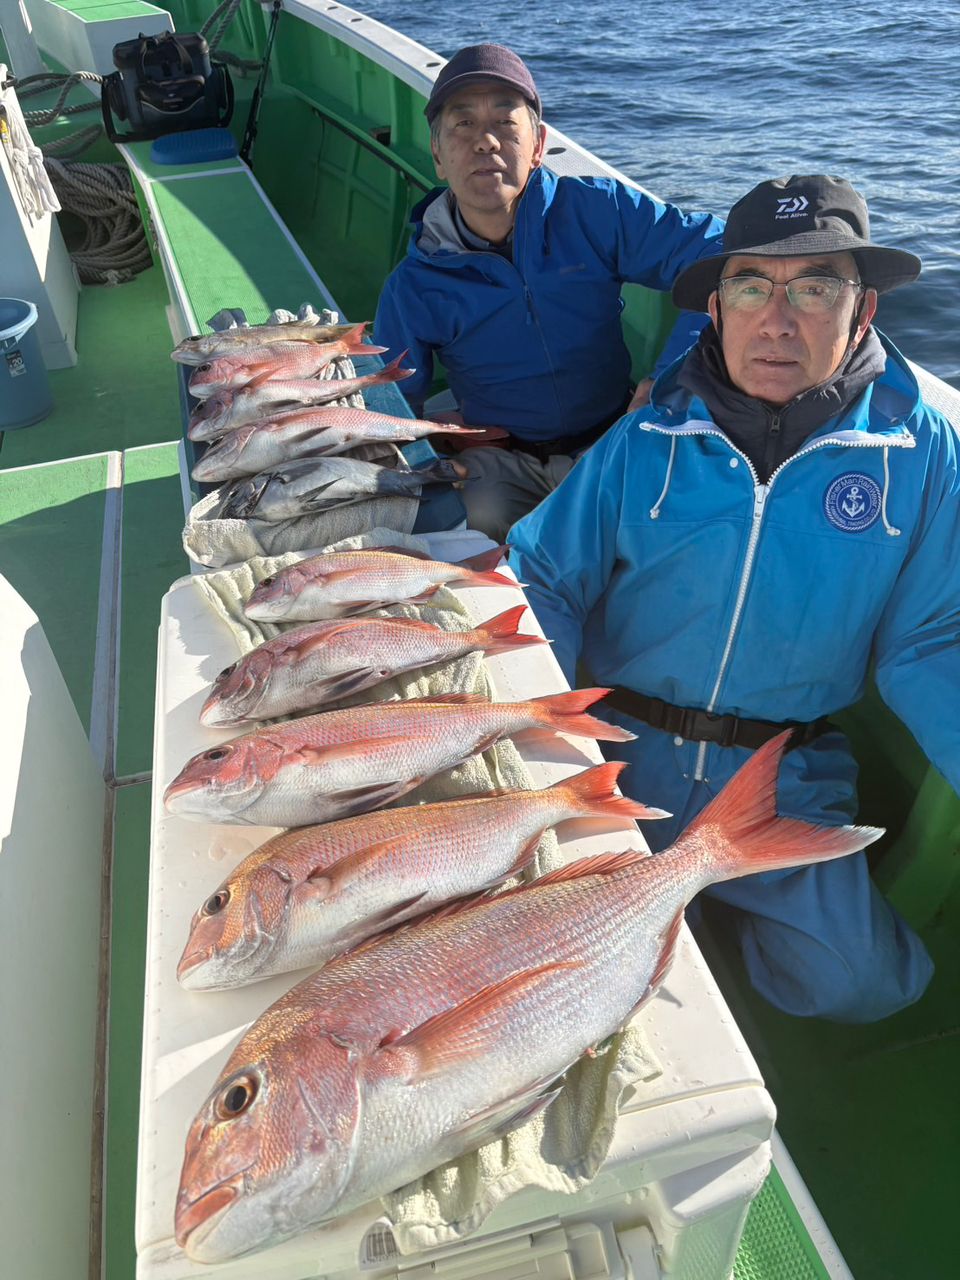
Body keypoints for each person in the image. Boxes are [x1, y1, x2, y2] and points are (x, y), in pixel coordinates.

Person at [508, 173, 960, 1022]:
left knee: (863, 986)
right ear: (715, 307)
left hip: (778, 773)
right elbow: (542, 575)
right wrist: (536, 739)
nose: (777, 319)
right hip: (617, 748)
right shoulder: (648, 433)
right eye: (751, 286)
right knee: (520, 962)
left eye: (814, 287)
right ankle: (674, 907)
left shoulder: (923, 452)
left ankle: (702, 913)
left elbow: (931, 640)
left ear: (862, 310)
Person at [374, 43, 724, 540]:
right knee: (455, 531)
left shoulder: (597, 213)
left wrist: (669, 377)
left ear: (538, 145)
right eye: (463, 124)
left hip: (613, 440)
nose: (485, 142)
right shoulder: (414, 285)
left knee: (661, 533)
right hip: (498, 465)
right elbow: (392, 406)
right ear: (437, 154)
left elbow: (719, 252)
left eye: (504, 122)